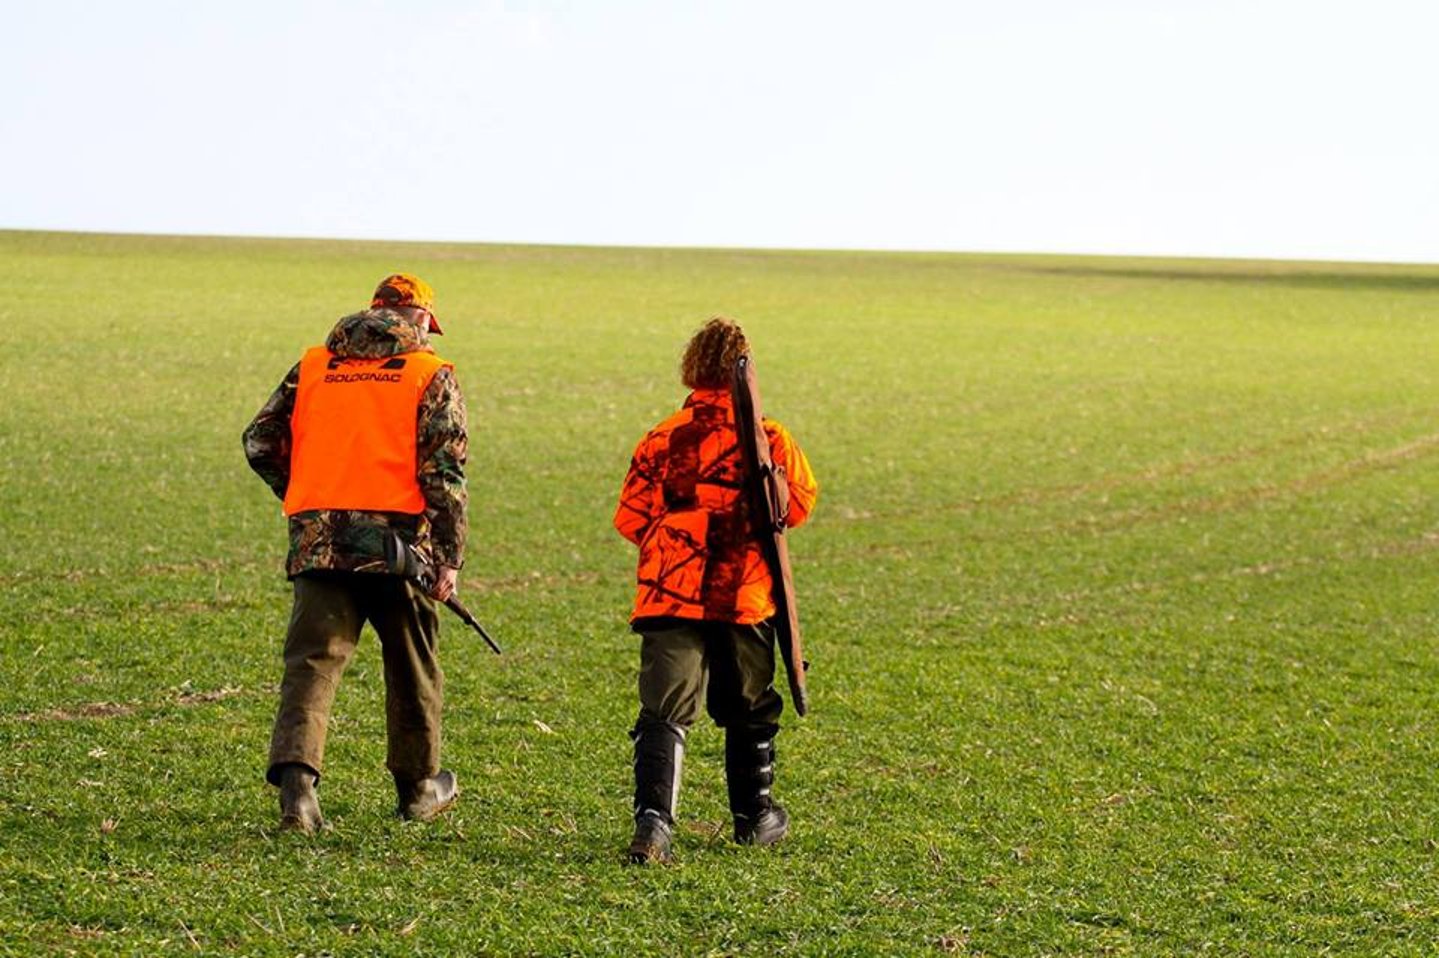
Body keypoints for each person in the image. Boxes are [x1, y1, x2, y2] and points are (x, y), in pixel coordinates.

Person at [242, 273, 468, 833]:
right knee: (413, 664)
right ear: (419, 319)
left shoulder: (314, 367)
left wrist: (307, 502)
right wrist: (449, 557)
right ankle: (418, 788)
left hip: (321, 544)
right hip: (399, 548)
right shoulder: (428, 373)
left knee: (311, 665)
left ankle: (298, 793)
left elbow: (260, 440)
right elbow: (444, 473)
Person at [613, 316, 818, 864]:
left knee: (665, 711)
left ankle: (653, 826)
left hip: (667, 592)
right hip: (743, 596)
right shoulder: (769, 438)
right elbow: (797, 508)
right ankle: (755, 817)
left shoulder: (659, 438)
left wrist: (678, 542)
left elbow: (629, 518)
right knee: (748, 707)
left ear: (692, 369)